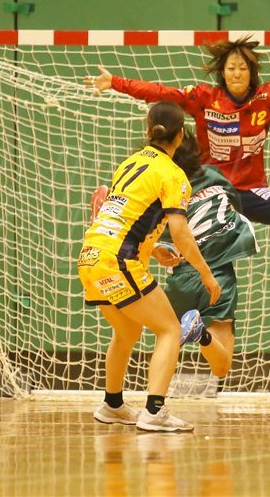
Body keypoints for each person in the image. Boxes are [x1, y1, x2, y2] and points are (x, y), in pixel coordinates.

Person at [84, 36, 270, 296]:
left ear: (251, 72)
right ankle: (110, 211)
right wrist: (116, 83)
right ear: (222, 73)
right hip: (210, 190)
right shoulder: (205, 98)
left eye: (243, 68)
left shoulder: (269, 97)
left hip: (249, 192)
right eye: (231, 68)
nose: (237, 73)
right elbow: (162, 94)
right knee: (170, 216)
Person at [77, 101, 221, 432]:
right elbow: (181, 233)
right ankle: (155, 411)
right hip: (118, 261)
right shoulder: (173, 174)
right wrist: (206, 274)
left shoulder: (129, 163)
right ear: (181, 134)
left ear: (148, 130)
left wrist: (153, 249)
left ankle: (112, 405)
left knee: (127, 331)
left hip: (91, 257)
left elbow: (121, 215)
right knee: (170, 329)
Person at [152, 128, 259, 378]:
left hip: (181, 276)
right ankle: (201, 334)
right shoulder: (214, 175)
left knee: (165, 348)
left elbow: (147, 232)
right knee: (221, 368)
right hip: (218, 278)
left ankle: (154, 400)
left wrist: (156, 248)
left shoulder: (162, 190)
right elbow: (235, 209)